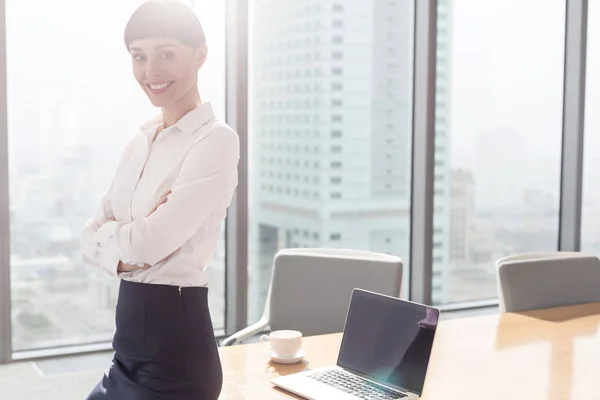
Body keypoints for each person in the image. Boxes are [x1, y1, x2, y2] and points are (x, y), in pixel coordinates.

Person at [82, 1, 239, 399]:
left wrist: (118, 238)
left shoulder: (214, 140)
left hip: (177, 357)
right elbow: (88, 238)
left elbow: (150, 244)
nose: (150, 71)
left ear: (200, 54)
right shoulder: (140, 140)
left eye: (166, 53)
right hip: (125, 353)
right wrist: (131, 238)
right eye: (139, 56)